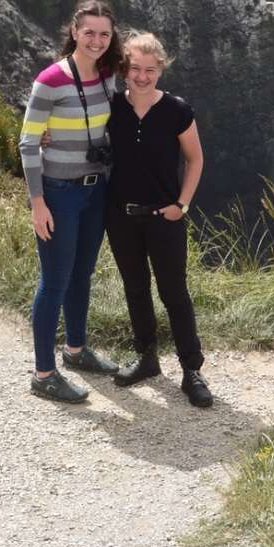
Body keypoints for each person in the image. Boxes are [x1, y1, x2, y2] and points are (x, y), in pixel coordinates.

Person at [18, 0, 123, 403]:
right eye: (89, 32)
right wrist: (37, 202)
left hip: (96, 190)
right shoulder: (51, 79)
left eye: (104, 33)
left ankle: (75, 351)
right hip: (59, 194)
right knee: (55, 281)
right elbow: (28, 142)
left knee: (82, 274)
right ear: (74, 33)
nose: (96, 40)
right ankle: (44, 374)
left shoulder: (108, 76)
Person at [103, 33, 213, 408]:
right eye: (135, 68)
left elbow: (195, 160)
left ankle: (191, 370)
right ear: (123, 69)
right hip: (120, 217)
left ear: (161, 69)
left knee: (174, 294)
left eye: (150, 69)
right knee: (135, 288)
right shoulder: (111, 107)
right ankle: (147, 359)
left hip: (165, 218)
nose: (142, 76)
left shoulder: (177, 111)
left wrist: (181, 205)